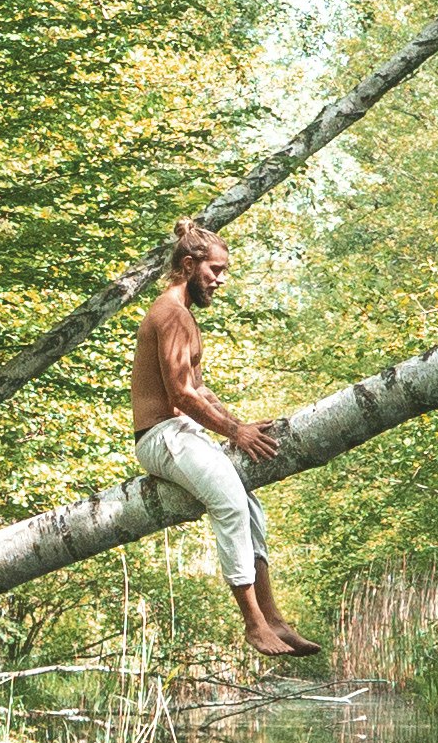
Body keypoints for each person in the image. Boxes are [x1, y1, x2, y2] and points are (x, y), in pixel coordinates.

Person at [128, 220, 322, 662]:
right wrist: (234, 432)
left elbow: (200, 391)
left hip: (182, 433)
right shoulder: (171, 313)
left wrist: (241, 426)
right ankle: (253, 624)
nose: (221, 280)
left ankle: (273, 617)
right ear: (188, 265)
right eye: (215, 270)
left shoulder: (184, 316)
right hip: (160, 436)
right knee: (230, 503)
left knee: (250, 503)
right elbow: (179, 394)